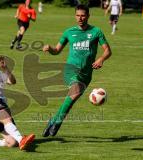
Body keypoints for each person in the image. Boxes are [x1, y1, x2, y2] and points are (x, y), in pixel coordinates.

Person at [42, 5, 112, 137]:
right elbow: (57, 50)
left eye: (83, 15)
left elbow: (108, 51)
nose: (80, 18)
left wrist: (101, 59)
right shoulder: (69, 32)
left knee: (71, 100)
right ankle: (57, 123)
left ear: (88, 16)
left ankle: (53, 120)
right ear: (75, 16)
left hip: (86, 75)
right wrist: (50, 48)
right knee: (73, 94)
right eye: (78, 15)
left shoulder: (96, 32)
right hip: (70, 71)